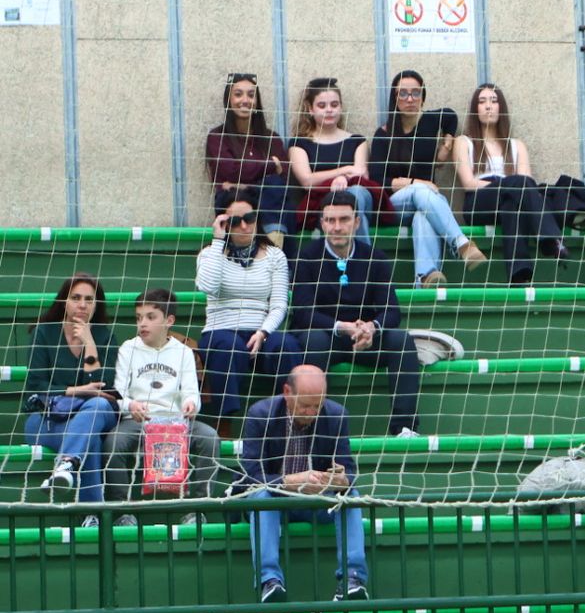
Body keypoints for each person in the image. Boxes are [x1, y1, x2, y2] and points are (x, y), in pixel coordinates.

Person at [291, 191, 423, 438]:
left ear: (357, 222)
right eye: (330, 220)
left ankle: (404, 427)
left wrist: (372, 327)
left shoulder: (375, 257)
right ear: (321, 223)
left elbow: (392, 311)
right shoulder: (306, 257)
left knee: (401, 341)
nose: (337, 227)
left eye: (344, 219)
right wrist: (343, 326)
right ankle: (312, 430)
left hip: (365, 340)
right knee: (314, 341)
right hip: (327, 336)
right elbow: (303, 312)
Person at [241, 365, 369, 603]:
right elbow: (250, 477)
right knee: (260, 498)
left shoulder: (336, 414)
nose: (311, 412)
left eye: (317, 406)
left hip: (316, 501)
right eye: (305, 406)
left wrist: (341, 479)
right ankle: (270, 581)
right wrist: (288, 482)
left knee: (351, 495)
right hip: (275, 501)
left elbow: (348, 470)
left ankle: (353, 580)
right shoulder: (260, 414)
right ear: (287, 392)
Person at [103, 288, 221, 524]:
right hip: (139, 421)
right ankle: (122, 511)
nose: (142, 324)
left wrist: (190, 404)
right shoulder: (128, 348)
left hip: (175, 421)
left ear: (169, 321)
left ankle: (197, 509)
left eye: (150, 317)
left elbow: (191, 394)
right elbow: (117, 394)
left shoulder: (185, 352)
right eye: (138, 318)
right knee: (113, 442)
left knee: (210, 439)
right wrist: (131, 405)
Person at [370, 70, 488, 287]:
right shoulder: (383, 134)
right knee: (422, 192)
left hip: (426, 205)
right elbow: (377, 181)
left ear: (423, 97)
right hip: (393, 206)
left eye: (416, 93)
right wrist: (416, 183)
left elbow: (451, 116)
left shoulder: (431, 121)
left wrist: (446, 146)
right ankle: (461, 243)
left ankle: (425, 276)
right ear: (394, 98)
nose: (410, 99)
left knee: (423, 216)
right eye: (403, 94)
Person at [196, 190, 299, 434]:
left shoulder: (275, 255)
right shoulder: (209, 254)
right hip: (220, 329)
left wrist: (263, 332)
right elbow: (207, 286)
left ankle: (288, 418)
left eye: (249, 218)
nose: (244, 225)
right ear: (224, 223)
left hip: (261, 330)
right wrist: (219, 241)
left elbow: (278, 305)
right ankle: (225, 421)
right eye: (234, 221)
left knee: (287, 345)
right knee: (229, 348)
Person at [454, 83, 566, 284]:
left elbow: (526, 186)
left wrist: (507, 188)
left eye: (494, 101)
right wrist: (504, 185)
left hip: (510, 199)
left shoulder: (517, 146)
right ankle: (550, 239)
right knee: (516, 186)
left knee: (512, 205)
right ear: (475, 109)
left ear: (501, 108)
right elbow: (468, 183)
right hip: (479, 202)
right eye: (482, 102)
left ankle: (519, 273)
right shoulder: (464, 142)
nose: (488, 106)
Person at [23, 275, 118, 510]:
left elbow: (101, 386)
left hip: (90, 415)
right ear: (64, 301)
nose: (82, 305)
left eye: (89, 299)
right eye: (76, 298)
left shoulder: (106, 337)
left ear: (97, 305)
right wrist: (77, 391)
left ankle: (66, 464)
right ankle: (92, 514)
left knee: (99, 407)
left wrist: (89, 342)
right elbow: (35, 385)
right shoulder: (44, 333)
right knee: (90, 438)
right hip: (46, 420)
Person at [204, 72, 292, 247]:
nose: (245, 100)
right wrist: (269, 165)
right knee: (271, 186)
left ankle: (274, 252)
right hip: (233, 203)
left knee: (275, 188)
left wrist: (241, 182)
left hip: (269, 204)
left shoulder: (271, 138)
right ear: (228, 99)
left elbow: (284, 179)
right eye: (238, 94)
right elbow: (230, 171)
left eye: (251, 95)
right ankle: (270, 251)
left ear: (257, 101)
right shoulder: (217, 137)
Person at [287, 77, 377, 242]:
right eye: (322, 106)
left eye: (334, 105)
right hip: (323, 206)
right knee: (350, 212)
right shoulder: (299, 143)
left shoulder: (357, 141)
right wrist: (343, 171)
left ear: (341, 107)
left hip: (359, 200)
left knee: (355, 194)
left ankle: (360, 263)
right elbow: (307, 181)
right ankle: (361, 263)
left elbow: (361, 176)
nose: (329, 110)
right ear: (310, 109)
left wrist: (343, 178)